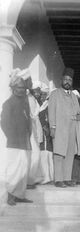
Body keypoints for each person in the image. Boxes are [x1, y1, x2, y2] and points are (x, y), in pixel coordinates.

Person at [0, 68, 33, 205]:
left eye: (23, 88)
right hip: (14, 142)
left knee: (23, 169)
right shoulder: (8, 103)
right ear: (13, 88)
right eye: (19, 87)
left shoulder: (24, 102)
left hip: (24, 141)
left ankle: (20, 194)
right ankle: (10, 195)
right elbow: (4, 123)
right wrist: (12, 136)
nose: (22, 90)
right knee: (13, 169)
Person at [48, 67, 80, 188]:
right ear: (62, 80)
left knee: (69, 154)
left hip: (72, 129)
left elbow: (79, 112)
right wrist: (52, 128)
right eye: (65, 79)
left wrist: (79, 116)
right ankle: (58, 180)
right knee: (59, 154)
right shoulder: (54, 94)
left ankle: (67, 178)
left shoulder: (74, 96)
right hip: (60, 129)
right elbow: (51, 112)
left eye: (70, 80)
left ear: (72, 82)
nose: (67, 81)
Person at [27, 80, 43, 188]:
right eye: (36, 91)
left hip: (34, 129)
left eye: (39, 91)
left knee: (35, 155)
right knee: (33, 155)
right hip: (30, 130)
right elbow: (31, 116)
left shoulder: (34, 100)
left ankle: (31, 180)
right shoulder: (29, 99)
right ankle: (28, 181)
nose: (38, 93)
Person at [38, 83, 54, 184]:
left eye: (45, 94)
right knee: (43, 155)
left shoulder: (48, 105)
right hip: (40, 133)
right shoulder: (38, 104)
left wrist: (47, 127)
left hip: (47, 134)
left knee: (48, 155)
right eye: (41, 94)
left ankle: (50, 177)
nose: (43, 96)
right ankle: (45, 177)